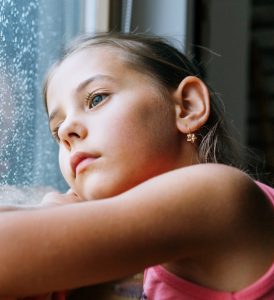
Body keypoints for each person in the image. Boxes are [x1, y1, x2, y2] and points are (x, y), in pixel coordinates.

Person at [0, 33, 273, 299]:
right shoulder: (145, 257)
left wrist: (52, 211)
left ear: (188, 107)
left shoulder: (218, 194)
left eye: (97, 99)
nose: (66, 131)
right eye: (56, 128)